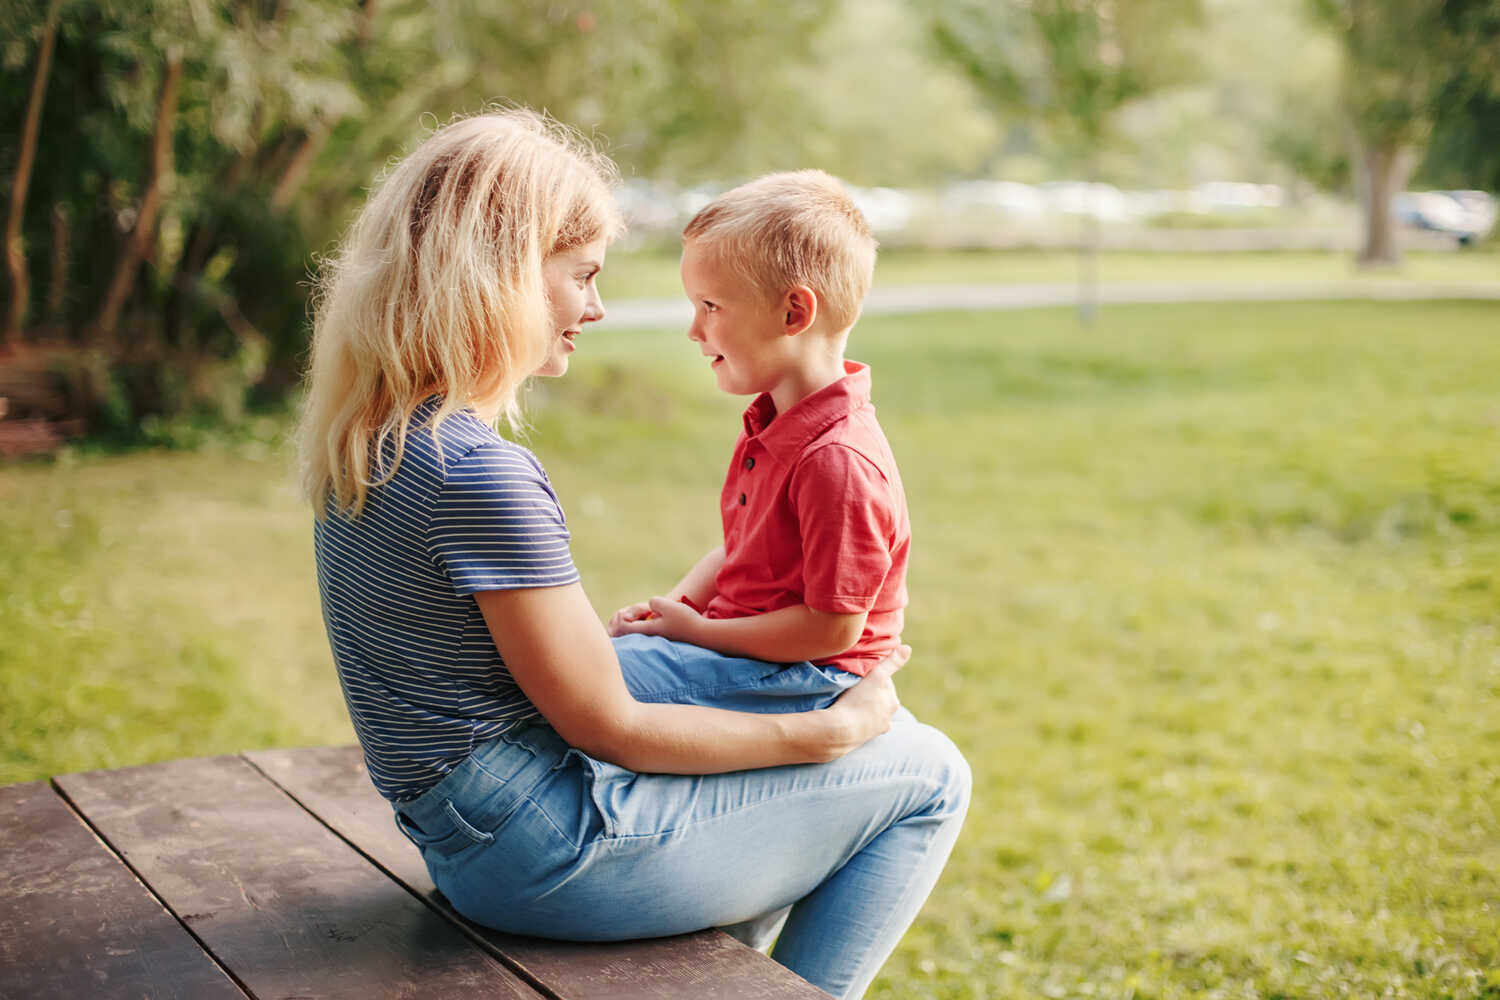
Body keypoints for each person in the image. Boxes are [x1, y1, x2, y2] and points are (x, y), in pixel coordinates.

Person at [298, 109, 969, 1000]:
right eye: (581, 276)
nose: (598, 306)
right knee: (930, 773)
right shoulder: (478, 474)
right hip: (541, 853)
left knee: (716, 714)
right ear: (499, 276)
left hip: (467, 833)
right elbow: (608, 727)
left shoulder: (372, 438)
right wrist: (824, 732)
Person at [607, 171, 908, 719]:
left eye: (711, 307)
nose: (694, 331)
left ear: (794, 313)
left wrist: (700, 634)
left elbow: (834, 627)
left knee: (587, 684)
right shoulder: (780, 425)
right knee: (594, 666)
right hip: (752, 651)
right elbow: (742, 548)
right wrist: (675, 608)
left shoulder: (836, 460)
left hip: (811, 675)